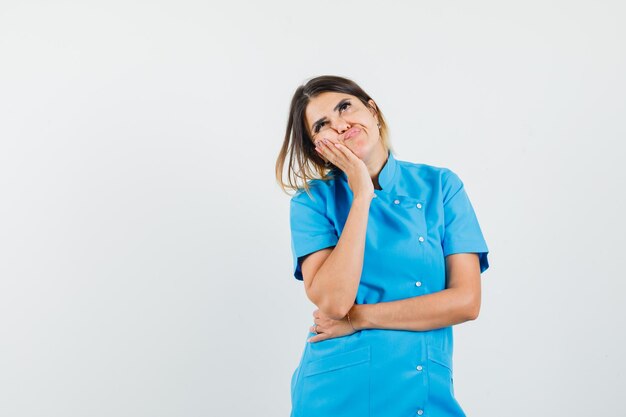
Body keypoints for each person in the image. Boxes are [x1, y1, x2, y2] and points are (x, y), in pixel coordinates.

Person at [275, 75, 490, 417]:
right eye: (323, 124)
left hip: (424, 389)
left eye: (345, 107)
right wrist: (362, 196)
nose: (341, 125)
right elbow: (333, 301)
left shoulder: (441, 186)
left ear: (372, 111)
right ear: (317, 145)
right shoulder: (312, 202)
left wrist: (359, 318)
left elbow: (466, 302)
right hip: (336, 393)